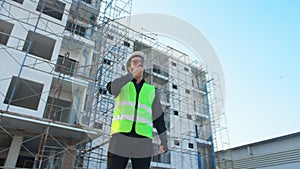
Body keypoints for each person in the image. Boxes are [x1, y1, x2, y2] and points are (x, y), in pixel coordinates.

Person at [106, 51, 168, 169]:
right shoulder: (121, 84)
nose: (139, 64)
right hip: (120, 137)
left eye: (141, 62)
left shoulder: (151, 90)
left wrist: (164, 141)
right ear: (129, 67)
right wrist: (131, 76)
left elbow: (159, 118)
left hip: (143, 140)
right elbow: (111, 89)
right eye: (135, 62)